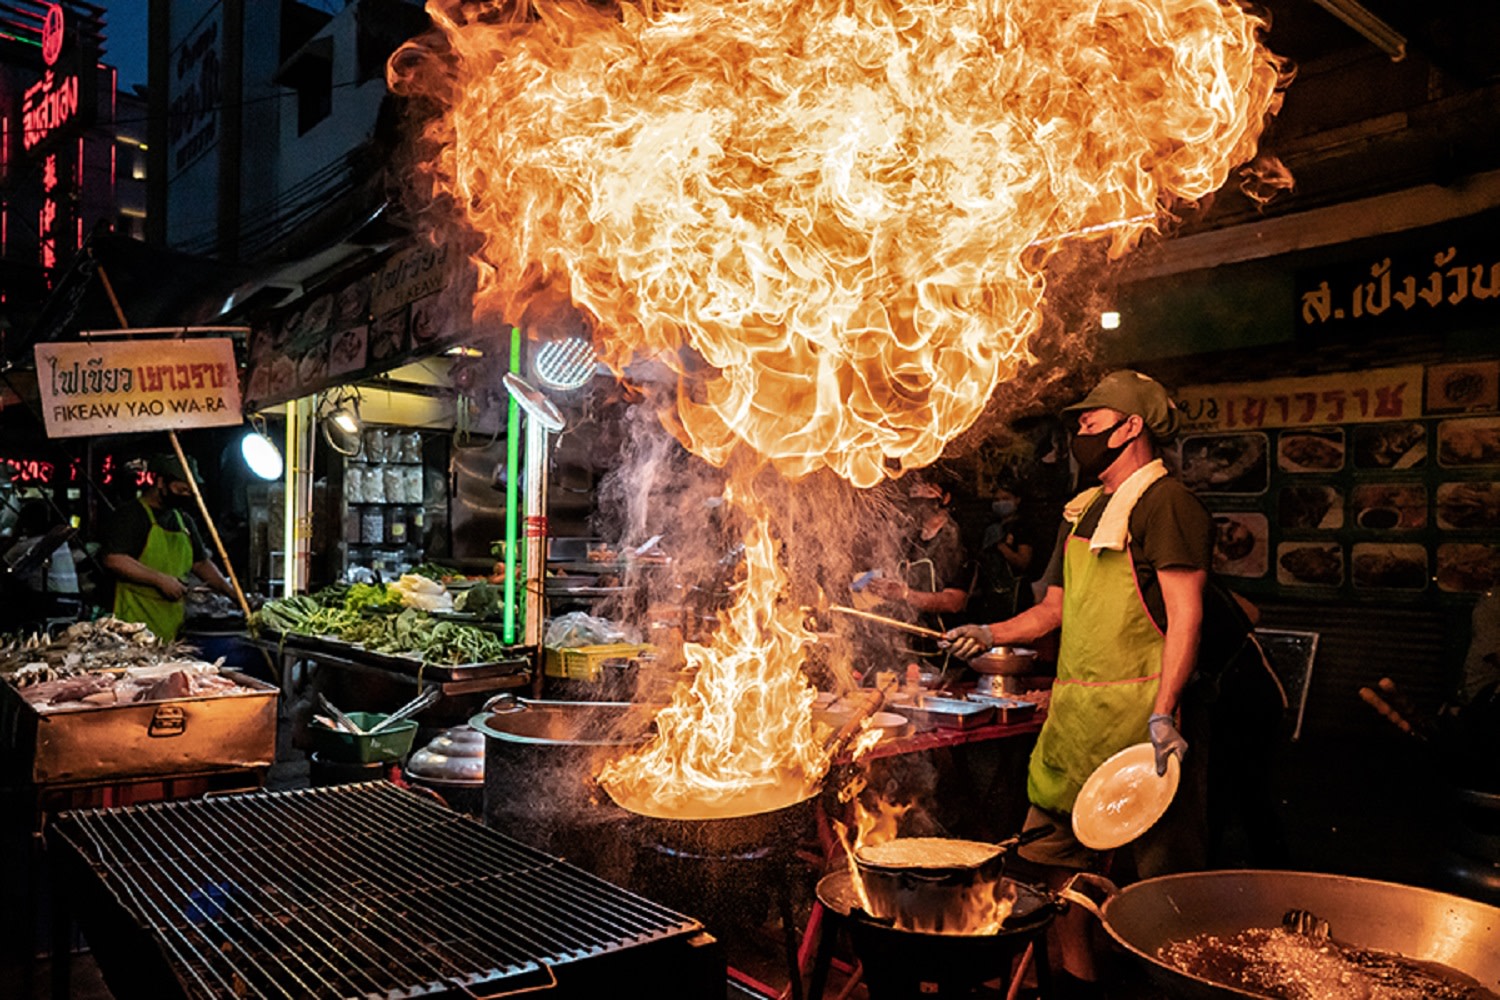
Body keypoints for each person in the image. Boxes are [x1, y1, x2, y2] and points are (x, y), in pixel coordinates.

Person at [945, 370, 1216, 995]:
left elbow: (1187, 617)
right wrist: (989, 632)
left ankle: (1161, 989)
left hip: (1144, 730)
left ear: (1132, 426)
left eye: (1091, 424)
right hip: (1076, 725)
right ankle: (1077, 988)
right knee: (1050, 875)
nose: (1079, 435)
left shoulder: (1165, 504)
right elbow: (1053, 611)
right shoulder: (1085, 508)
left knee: (1156, 890)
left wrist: (1165, 712)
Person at [102, 454, 235, 642]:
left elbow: (201, 563)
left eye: (190, 491)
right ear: (161, 482)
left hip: (173, 623)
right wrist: (159, 580)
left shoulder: (184, 521)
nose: (185, 495)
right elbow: (114, 559)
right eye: (180, 489)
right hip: (133, 623)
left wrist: (230, 591)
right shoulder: (131, 515)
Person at [866, 474, 972, 634]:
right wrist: (859, 583)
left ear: (945, 498)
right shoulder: (909, 536)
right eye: (914, 488)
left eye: (926, 487)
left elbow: (955, 602)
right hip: (906, 637)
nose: (917, 492)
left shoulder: (954, 538)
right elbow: (889, 572)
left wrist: (906, 595)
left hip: (942, 641)